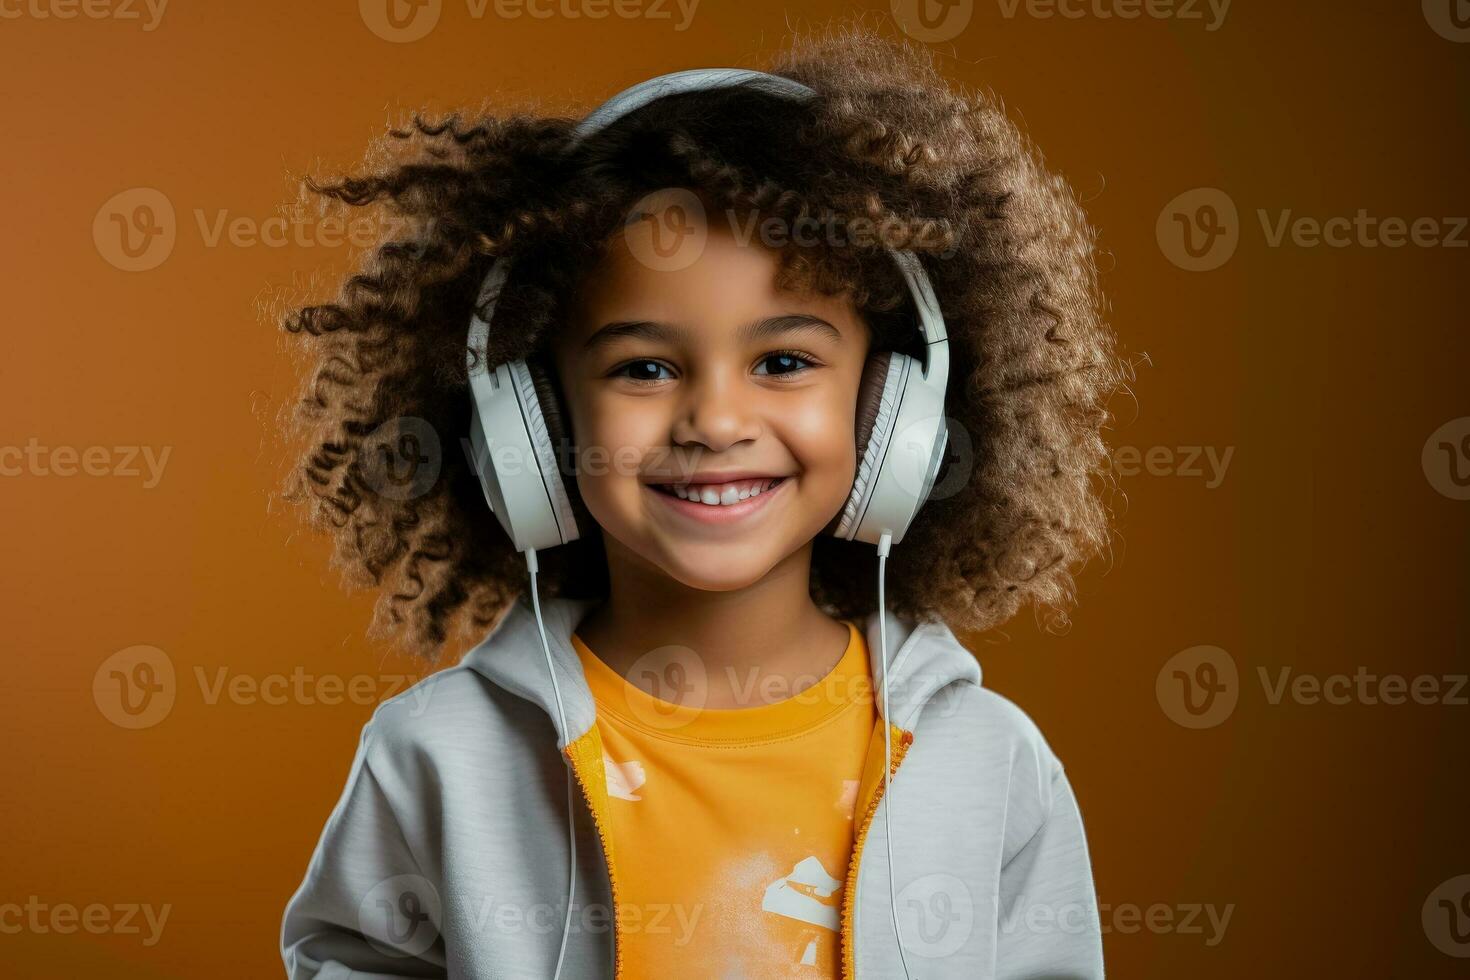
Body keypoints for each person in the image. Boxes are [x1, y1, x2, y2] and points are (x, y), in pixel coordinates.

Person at [277, 20, 1121, 980]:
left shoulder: (986, 763)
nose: (716, 420)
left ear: (898, 410)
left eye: (785, 361)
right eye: (643, 367)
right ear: (535, 419)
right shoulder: (440, 756)